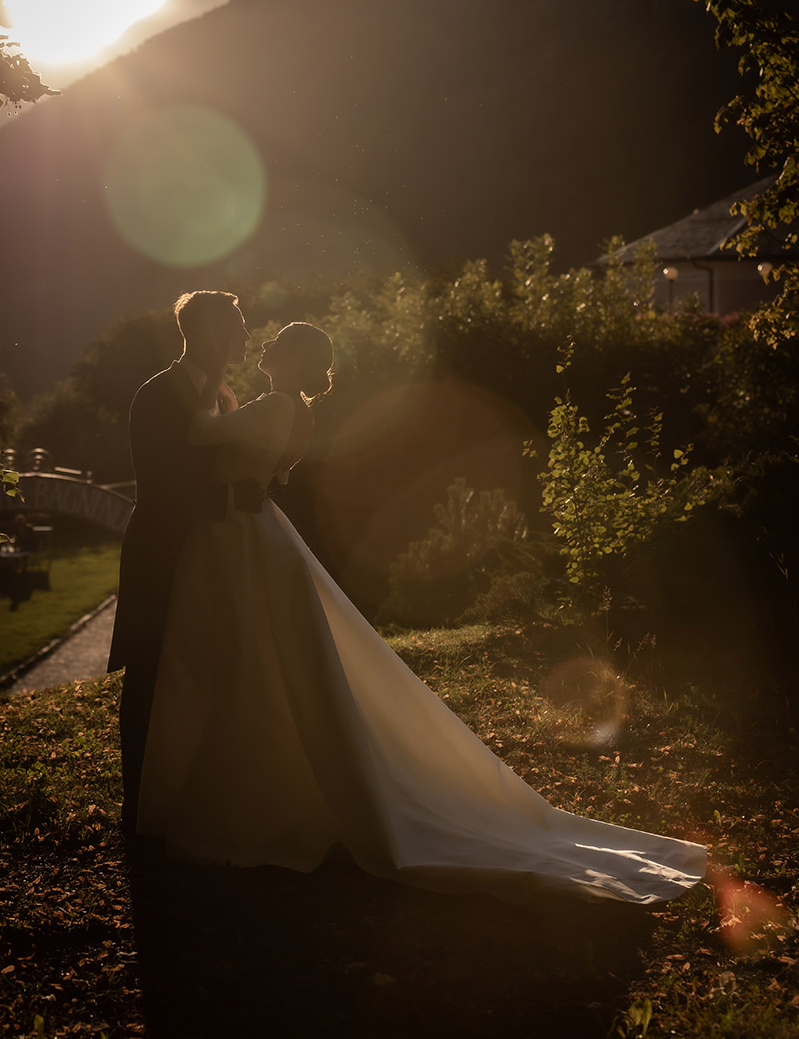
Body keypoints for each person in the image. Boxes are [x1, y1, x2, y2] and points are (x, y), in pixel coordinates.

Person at [137, 322, 706, 905]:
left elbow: (200, 434)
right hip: (255, 533)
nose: (263, 347)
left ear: (295, 360)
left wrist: (210, 390)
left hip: (243, 539)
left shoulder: (274, 407)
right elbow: (271, 471)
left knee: (256, 655)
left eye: (276, 345)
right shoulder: (292, 411)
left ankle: (252, 798)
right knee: (265, 653)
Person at [108, 290, 265, 832]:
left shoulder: (223, 394)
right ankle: (140, 807)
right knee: (151, 672)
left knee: (210, 670)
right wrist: (236, 499)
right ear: (202, 333)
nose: (246, 335)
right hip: (163, 554)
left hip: (215, 554)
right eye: (237, 325)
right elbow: (164, 487)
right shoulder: (156, 396)